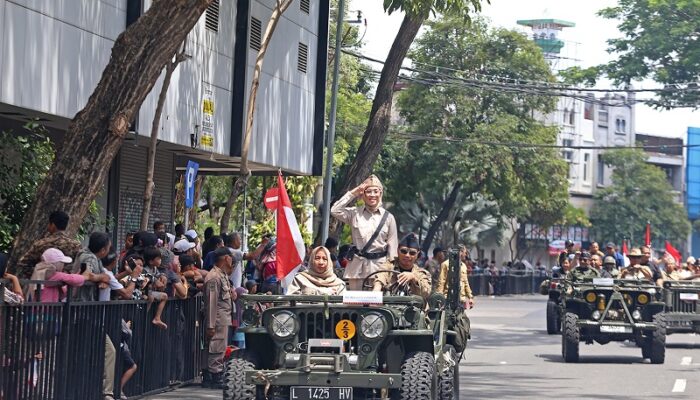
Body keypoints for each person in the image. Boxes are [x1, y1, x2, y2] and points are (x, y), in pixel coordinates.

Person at [331, 175, 398, 290]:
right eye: (368, 191)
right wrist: (354, 192)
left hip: (379, 268)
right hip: (357, 267)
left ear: (380, 193)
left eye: (375, 191)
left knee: (376, 305)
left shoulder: (388, 218)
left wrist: (391, 271)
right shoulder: (354, 213)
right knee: (356, 304)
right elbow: (335, 210)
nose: (372, 195)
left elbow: (393, 246)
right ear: (363, 195)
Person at [14, 210, 82, 279]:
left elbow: (23, 264)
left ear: (52, 225)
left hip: (41, 286)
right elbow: (80, 267)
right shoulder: (76, 246)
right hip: (66, 285)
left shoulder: (41, 244)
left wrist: (39, 274)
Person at [202, 247, 234, 389]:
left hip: (223, 318)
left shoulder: (222, 274)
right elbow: (211, 302)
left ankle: (211, 376)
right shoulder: (214, 277)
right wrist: (210, 324)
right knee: (216, 347)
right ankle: (215, 376)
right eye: (231, 257)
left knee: (219, 347)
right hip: (217, 319)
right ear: (226, 258)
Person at [372, 233, 431, 302]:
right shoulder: (389, 266)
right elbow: (381, 276)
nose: (407, 255)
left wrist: (414, 278)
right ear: (397, 250)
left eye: (412, 253)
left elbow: (426, 293)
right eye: (403, 251)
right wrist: (377, 289)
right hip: (389, 306)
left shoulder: (422, 273)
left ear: (417, 254)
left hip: (413, 309)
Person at [436, 245, 475, 309]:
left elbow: (466, 282)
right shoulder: (446, 264)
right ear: (460, 252)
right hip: (448, 299)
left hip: (461, 299)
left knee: (461, 318)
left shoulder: (463, 266)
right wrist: (439, 298)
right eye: (465, 253)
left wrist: (470, 297)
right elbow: (441, 282)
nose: (465, 255)